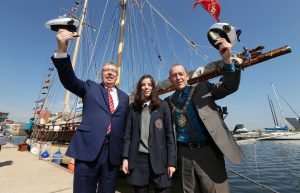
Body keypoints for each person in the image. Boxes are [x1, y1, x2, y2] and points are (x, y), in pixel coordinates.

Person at [51, 29, 129, 193]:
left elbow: (126, 126)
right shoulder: (90, 87)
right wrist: (62, 50)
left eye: (113, 71)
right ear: (101, 74)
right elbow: (69, 80)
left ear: (117, 75)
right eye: (106, 70)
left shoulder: (124, 97)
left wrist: (125, 155)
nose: (109, 72)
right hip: (88, 149)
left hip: (112, 154)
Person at [165, 37, 245, 193]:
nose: (178, 77)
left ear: (187, 75)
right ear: (170, 80)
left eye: (181, 74)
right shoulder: (167, 102)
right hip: (183, 154)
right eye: (174, 75)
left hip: (207, 150)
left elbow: (229, 86)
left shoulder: (203, 88)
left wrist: (227, 59)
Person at [122, 75, 177, 193]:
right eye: (143, 84)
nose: (146, 87)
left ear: (153, 88)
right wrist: (125, 158)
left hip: (160, 159)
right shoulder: (133, 108)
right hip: (138, 160)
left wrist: (172, 163)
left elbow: (169, 136)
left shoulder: (163, 106)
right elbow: (127, 135)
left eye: (149, 84)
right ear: (139, 88)